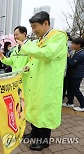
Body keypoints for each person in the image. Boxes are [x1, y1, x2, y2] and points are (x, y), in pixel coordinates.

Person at [17, 11, 67, 151]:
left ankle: (44, 141)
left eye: (35, 26)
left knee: (44, 112)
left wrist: (25, 46)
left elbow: (48, 54)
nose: (33, 30)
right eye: (32, 27)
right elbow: (37, 59)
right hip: (37, 81)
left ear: (46, 23)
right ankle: (34, 133)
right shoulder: (41, 40)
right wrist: (29, 66)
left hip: (47, 84)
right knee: (34, 109)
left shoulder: (58, 36)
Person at [63, 37, 84, 111]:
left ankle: (83, 105)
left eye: (73, 44)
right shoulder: (77, 52)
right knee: (70, 88)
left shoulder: (81, 54)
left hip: (76, 75)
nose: (71, 45)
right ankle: (70, 102)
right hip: (73, 74)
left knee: (75, 90)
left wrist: (68, 56)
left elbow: (72, 64)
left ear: (78, 45)